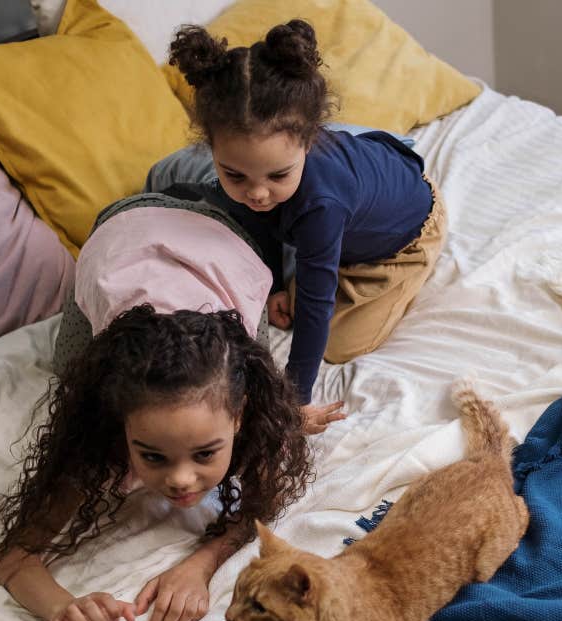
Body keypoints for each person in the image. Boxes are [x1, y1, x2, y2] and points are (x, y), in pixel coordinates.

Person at [168, 19, 448, 410]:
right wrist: (275, 285)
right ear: (212, 148)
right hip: (353, 193)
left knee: (339, 343)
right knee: (256, 208)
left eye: (278, 174)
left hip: (406, 233)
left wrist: (295, 402)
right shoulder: (255, 185)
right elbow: (255, 218)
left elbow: (316, 306)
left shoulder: (321, 206)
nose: (258, 192)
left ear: (310, 140)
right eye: (234, 174)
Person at [0, 305, 313, 621]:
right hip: (112, 266)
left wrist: (201, 563)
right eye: (153, 456)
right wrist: (64, 606)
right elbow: (14, 559)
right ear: (121, 425)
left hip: (228, 269)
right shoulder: (101, 445)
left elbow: (263, 505)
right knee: (69, 360)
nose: (181, 480)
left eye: (204, 453)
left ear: (239, 416)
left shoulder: (256, 427)